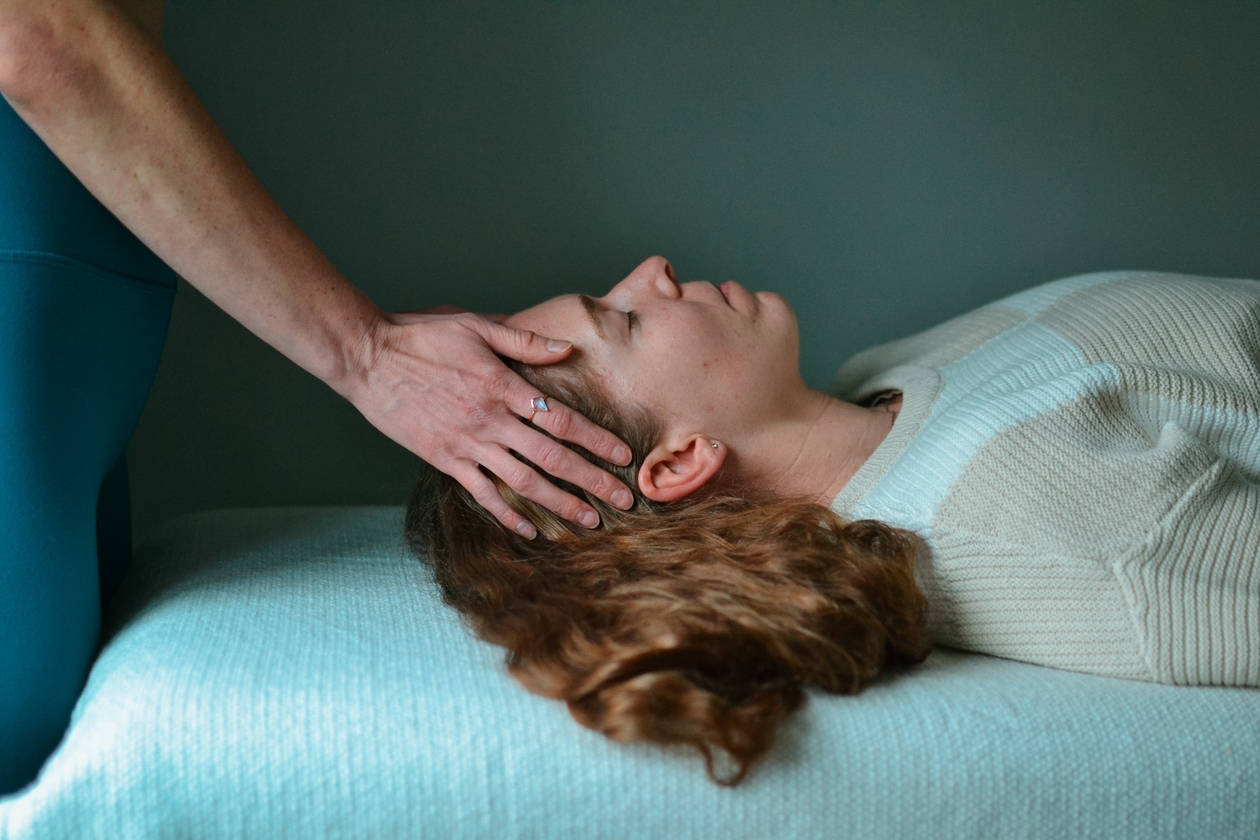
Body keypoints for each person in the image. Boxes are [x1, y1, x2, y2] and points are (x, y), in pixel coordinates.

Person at [0, 0, 634, 794]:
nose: (654, 273)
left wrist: (374, 345)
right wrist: (367, 354)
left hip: (81, 282)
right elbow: (40, 31)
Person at [408, 256, 1260, 785]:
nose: (654, 269)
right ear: (678, 462)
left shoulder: (879, 380)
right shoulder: (1027, 520)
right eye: (623, 317)